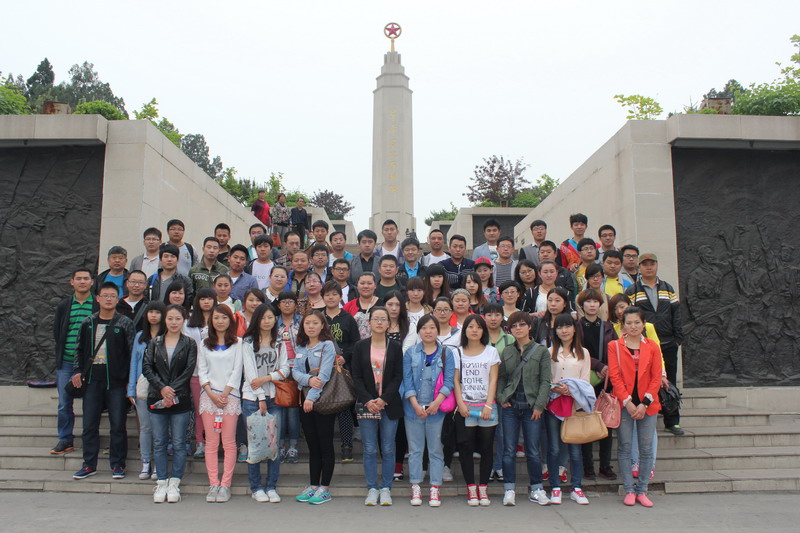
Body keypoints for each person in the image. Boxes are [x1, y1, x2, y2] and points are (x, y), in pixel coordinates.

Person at [71, 282, 136, 480]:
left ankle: (118, 464)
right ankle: (89, 464)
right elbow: (79, 349)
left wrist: (130, 380)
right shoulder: (88, 322)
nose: (108, 299)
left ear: (117, 299)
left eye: (112, 296)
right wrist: (77, 370)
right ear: (97, 298)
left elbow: (131, 353)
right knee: (89, 424)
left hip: (116, 381)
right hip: (92, 379)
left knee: (118, 425)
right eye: (105, 295)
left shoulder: (124, 323)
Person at [608, 306, 663, 507]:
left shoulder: (652, 346)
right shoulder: (615, 346)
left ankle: (642, 490)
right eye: (629, 323)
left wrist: (644, 403)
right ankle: (629, 489)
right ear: (623, 325)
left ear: (643, 324)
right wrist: (628, 403)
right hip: (624, 404)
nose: (633, 326)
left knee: (646, 449)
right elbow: (614, 376)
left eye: (637, 322)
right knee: (624, 446)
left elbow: (656, 376)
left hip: (648, 405)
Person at [625, 253, 685, 435]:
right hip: (644, 345)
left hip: (667, 342)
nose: (649, 267)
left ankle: (672, 421)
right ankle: (646, 415)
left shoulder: (667, 288)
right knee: (646, 381)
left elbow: (676, 313)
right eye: (645, 264)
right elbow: (630, 317)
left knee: (669, 382)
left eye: (652, 264)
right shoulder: (632, 290)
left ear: (657, 265)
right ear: (639, 267)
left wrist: (677, 338)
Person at [142, 304, 197, 504]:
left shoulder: (189, 343)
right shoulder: (155, 342)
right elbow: (147, 367)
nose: (174, 322)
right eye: (170, 318)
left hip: (180, 398)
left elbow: (189, 370)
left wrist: (171, 390)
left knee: (179, 442)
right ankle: (162, 481)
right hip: (156, 397)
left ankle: (175, 481)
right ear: (165, 320)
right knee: (159, 442)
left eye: (178, 319)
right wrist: (162, 388)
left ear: (184, 321)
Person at [496, 311, 552, 506]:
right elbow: (502, 377)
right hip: (511, 406)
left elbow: (545, 381)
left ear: (530, 327)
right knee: (509, 449)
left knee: (533, 451)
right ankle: (509, 489)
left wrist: (539, 405)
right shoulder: (508, 351)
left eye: (522, 325)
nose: (518, 328)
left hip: (531, 407)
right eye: (514, 326)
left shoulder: (541, 351)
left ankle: (537, 489)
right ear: (509, 330)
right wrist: (501, 397)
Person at [352, 307, 404, 506]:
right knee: (370, 448)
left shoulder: (395, 347)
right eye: (376, 319)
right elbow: (356, 377)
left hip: (388, 404)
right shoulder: (360, 346)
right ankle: (372, 488)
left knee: (388, 448)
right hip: (367, 404)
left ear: (389, 323)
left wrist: (384, 399)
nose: (380, 322)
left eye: (383, 319)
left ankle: (386, 488)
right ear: (369, 322)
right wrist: (368, 400)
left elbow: (398, 376)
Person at [402, 315, 456, 507]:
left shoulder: (446, 353)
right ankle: (416, 486)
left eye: (432, 327)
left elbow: (449, 381)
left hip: (436, 410)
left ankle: (435, 487)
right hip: (413, 409)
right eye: (424, 328)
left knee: (435, 449)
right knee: (415, 450)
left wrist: (436, 403)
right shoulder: (411, 353)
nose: (428, 331)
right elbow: (407, 381)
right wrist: (415, 404)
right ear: (419, 331)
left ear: (437, 330)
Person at [241, 303, 289, 503]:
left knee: (273, 443)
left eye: (270, 317)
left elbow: (285, 369)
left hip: (274, 397)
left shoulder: (279, 342)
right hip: (252, 399)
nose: (267, 321)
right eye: (263, 318)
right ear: (256, 320)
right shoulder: (248, 342)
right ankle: (256, 487)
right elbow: (251, 375)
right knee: (255, 443)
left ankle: (271, 486)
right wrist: (261, 396)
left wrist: (268, 378)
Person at [197, 304, 243, 503]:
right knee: (211, 443)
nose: (220, 321)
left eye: (224, 317)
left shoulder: (238, 343)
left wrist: (224, 394)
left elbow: (237, 371)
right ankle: (213, 483)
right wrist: (211, 393)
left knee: (229, 443)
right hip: (209, 398)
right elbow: (202, 371)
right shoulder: (204, 344)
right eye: (216, 318)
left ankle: (225, 485)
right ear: (211, 320)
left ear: (230, 320)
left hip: (230, 397)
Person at [545, 313, 592, 505]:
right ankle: (555, 487)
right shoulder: (550, 352)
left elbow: (585, 381)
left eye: (567, 326)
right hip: (554, 404)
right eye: (559, 327)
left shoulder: (583, 353)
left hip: (575, 405)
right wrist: (555, 388)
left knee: (575, 449)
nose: (564, 331)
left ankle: (576, 487)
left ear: (574, 329)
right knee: (554, 448)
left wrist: (570, 390)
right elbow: (545, 379)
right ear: (555, 331)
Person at [453, 315, 500, 506]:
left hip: (487, 406)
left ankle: (483, 487)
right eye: (471, 326)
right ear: (464, 330)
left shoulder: (491, 352)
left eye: (479, 327)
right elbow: (455, 380)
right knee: (466, 448)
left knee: (487, 448)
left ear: (484, 331)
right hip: (466, 406)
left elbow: (493, 379)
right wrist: (461, 404)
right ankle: (471, 487)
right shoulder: (457, 352)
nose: (474, 330)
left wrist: (488, 404)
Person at [292, 312, 338, 505]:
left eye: (315, 323)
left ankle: (325, 488)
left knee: (325, 444)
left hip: (323, 400)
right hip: (304, 401)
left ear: (322, 326)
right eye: (307, 323)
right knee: (313, 445)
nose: (311, 326)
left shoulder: (327, 346)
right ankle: (313, 486)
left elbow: (324, 375)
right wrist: (308, 380)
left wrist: (311, 396)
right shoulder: (301, 347)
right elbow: (295, 372)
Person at [51, 269, 98, 456]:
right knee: (64, 402)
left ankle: (89, 439)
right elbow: (58, 332)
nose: (82, 281)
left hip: (90, 364)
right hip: (67, 362)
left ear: (92, 282)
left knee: (91, 403)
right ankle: (65, 439)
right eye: (78, 278)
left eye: (86, 278)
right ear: (72, 282)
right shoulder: (64, 305)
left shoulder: (97, 304)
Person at [577, 289, 618, 481]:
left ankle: (605, 466)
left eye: (595, 302)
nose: (592, 305)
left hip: (606, 381)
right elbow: (577, 350)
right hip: (585, 379)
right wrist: (598, 365)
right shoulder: (576, 326)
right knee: (586, 423)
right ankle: (588, 467)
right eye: (588, 301)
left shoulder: (608, 326)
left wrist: (607, 368)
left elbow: (616, 350)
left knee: (606, 424)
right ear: (582, 305)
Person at [321, 281, 360, 462]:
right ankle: (326, 446)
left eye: (334, 294)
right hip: (322, 369)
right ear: (322, 297)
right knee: (325, 407)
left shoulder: (347, 318)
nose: (331, 298)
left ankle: (347, 446)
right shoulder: (318, 317)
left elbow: (356, 343)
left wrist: (345, 357)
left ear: (340, 297)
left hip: (343, 369)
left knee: (344, 407)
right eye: (327, 294)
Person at [127, 301, 165, 481]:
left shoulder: (167, 336)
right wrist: (131, 388)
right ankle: (145, 462)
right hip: (142, 384)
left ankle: (158, 464)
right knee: (145, 427)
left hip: (161, 386)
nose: (154, 316)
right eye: (151, 312)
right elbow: (134, 362)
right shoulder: (139, 337)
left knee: (160, 428)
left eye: (157, 312)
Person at [483, 304, 515, 482]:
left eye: (497, 315)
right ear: (484, 317)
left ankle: (499, 466)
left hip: (504, 393)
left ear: (502, 317)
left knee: (502, 433)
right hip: (482, 393)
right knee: (486, 433)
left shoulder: (510, 339)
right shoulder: (479, 336)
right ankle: (487, 466)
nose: (493, 318)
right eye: (489, 315)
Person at [185, 288, 216, 459]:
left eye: (209, 298)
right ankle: (200, 442)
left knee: (217, 409)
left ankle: (215, 441)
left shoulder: (219, 319)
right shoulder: (189, 322)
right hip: (196, 372)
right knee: (200, 409)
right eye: (202, 298)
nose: (206, 302)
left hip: (217, 372)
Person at [276, 291, 302, 463]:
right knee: (279, 409)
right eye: (284, 302)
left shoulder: (302, 322)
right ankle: (279, 445)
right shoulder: (273, 323)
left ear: (295, 304)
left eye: (290, 301)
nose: (287, 304)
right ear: (279, 305)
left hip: (297, 370)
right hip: (278, 371)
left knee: (292, 411)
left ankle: (292, 446)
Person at [343, 272, 380, 339]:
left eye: (369, 283)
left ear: (375, 285)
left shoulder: (383, 304)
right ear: (357, 285)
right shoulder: (348, 306)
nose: (365, 286)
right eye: (362, 283)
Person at [539, 241, 577, 305]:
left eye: (548, 252)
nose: (545, 254)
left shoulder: (564, 272)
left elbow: (570, 293)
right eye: (542, 252)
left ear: (555, 254)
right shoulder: (534, 272)